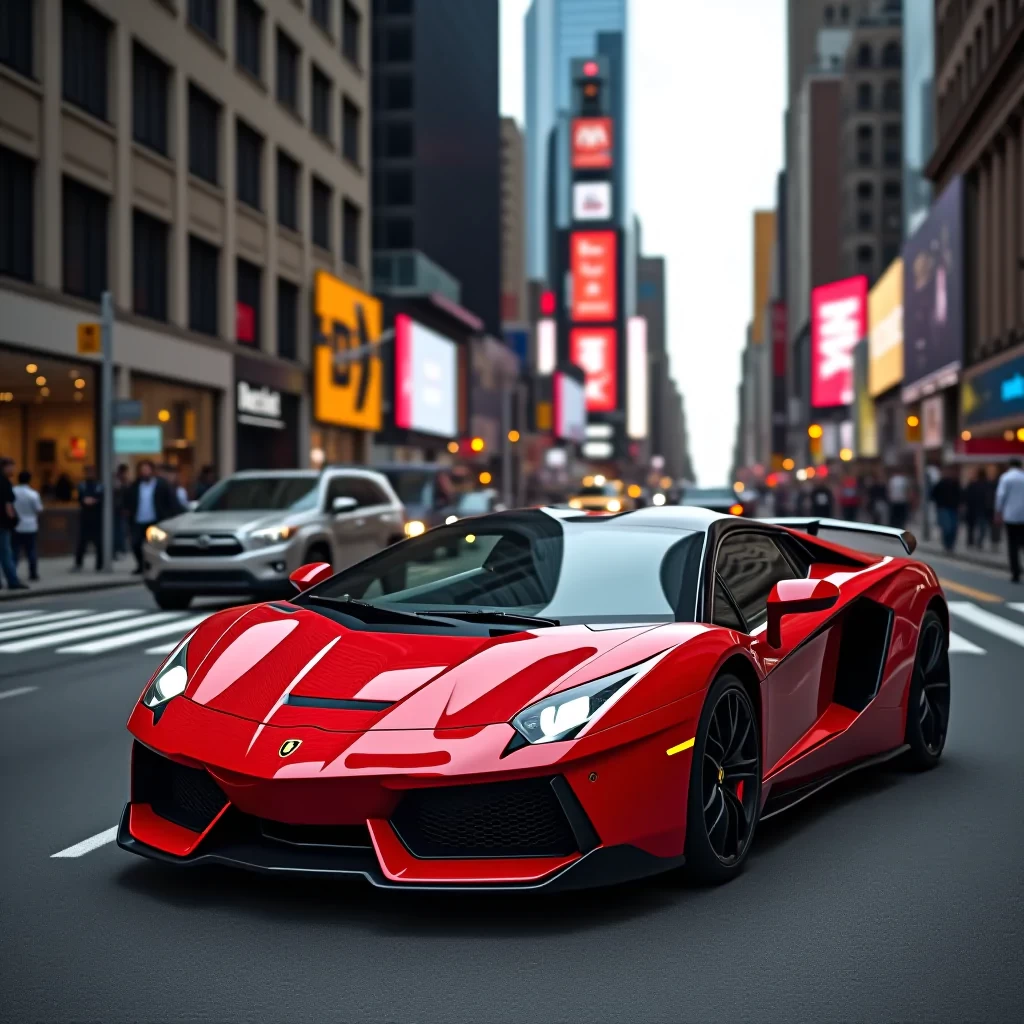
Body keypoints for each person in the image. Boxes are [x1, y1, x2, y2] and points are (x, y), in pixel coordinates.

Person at [125, 459, 181, 574]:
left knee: (155, 545)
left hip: (155, 521)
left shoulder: (161, 485)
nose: (145, 472)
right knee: (136, 543)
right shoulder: (136, 485)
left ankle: (154, 566)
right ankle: (141, 565)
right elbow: (129, 500)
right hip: (139, 519)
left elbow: (171, 502)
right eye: (142, 470)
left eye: (147, 470)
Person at [0, 456, 28, 590]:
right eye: (11, 466)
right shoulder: (4, 483)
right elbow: (8, 505)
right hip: (3, 523)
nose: (13, 469)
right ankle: (12, 580)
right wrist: (13, 520)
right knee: (6, 553)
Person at [995, 457, 1024, 584]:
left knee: (1012, 545)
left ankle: (1015, 573)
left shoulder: (1006, 478)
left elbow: (1000, 496)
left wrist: (998, 512)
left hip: (1010, 515)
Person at [12, 469, 43, 581]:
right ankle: (33, 573)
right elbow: (39, 509)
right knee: (31, 550)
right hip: (30, 525)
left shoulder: (13, 491)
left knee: (15, 551)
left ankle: (12, 573)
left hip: (16, 525)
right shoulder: (33, 494)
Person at [74, 465, 104, 571]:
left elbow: (101, 498)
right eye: (88, 472)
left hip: (96, 517)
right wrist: (85, 501)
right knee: (82, 542)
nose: (89, 474)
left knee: (99, 542)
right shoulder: (82, 485)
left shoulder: (99, 485)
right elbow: (80, 498)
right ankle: (78, 563)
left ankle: (100, 565)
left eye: (91, 472)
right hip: (85, 517)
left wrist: (93, 501)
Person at [931, 465, 962, 554]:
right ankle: (947, 545)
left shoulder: (955, 483)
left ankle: (951, 545)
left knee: (954, 528)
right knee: (947, 527)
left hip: (953, 508)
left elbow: (960, 495)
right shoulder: (940, 483)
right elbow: (933, 495)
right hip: (943, 508)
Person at [963, 468, 993, 549]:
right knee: (980, 528)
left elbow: (966, 496)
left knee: (972, 528)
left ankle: (972, 542)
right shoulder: (987, 485)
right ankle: (977, 542)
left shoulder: (974, 484)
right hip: (981, 509)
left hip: (975, 509)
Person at [113, 463, 130, 559]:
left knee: (122, 531)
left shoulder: (125, 482)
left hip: (122, 511)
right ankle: (117, 550)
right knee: (118, 531)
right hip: (116, 511)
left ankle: (121, 549)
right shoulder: (117, 482)